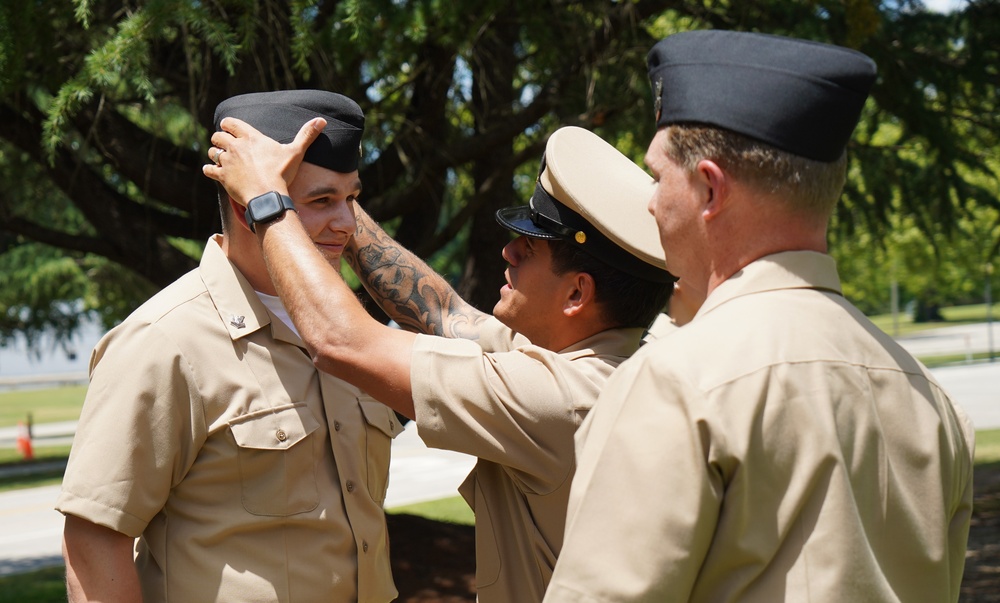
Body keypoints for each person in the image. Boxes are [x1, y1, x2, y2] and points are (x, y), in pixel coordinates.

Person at [543, 30, 976, 602]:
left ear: (710, 190)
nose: (650, 200)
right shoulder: (930, 400)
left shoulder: (676, 383)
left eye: (658, 175)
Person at [202, 123, 676, 602]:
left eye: (529, 248)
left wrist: (268, 196)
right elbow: (440, 312)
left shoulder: (564, 400)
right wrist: (335, 196)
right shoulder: (597, 360)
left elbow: (341, 341)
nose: (507, 251)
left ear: (577, 293)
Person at [55, 90, 402, 603]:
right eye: (321, 201)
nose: (348, 224)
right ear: (249, 208)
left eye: (351, 199)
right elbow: (94, 542)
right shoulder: (164, 341)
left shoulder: (353, 334)